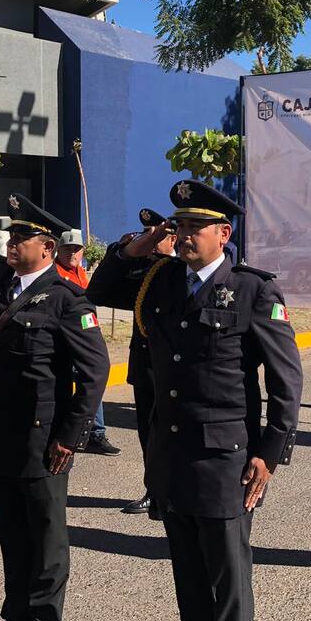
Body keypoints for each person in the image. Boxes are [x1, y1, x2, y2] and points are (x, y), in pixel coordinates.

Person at [87, 180, 303, 621]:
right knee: (187, 578)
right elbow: (100, 291)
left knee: (227, 582)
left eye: (196, 227)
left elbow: (287, 380)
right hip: (171, 453)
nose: (184, 234)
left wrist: (270, 452)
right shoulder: (160, 279)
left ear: (223, 234)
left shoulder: (252, 291)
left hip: (225, 459)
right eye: (179, 225)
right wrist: (138, 247)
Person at [0, 194, 110, 621]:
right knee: (12, 532)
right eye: (12, 236)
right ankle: (17, 616)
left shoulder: (67, 300)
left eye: (23, 238)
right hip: (0, 431)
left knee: (45, 536)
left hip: (43, 437)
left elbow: (95, 369)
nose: (12, 244)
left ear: (47, 248)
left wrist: (72, 434)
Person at [120, 207, 177, 516]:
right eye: (149, 237)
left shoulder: (178, 272)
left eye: (161, 237)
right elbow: (104, 289)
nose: (154, 243)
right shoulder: (143, 271)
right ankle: (152, 488)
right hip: (144, 365)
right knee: (147, 431)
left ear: (174, 240)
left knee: (168, 433)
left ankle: (169, 487)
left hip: (169, 368)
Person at [56, 229, 119, 457]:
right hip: (66, 340)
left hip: (85, 337)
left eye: (76, 249)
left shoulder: (81, 272)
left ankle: (95, 433)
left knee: (92, 382)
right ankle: (86, 432)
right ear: (57, 250)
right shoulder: (55, 274)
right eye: (67, 249)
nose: (72, 253)